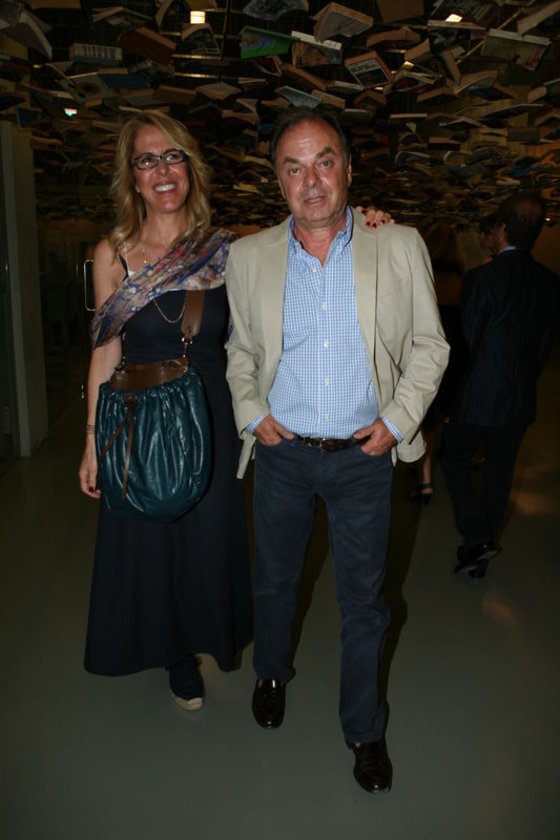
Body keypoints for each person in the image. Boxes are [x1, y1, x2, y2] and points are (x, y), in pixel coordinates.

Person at [225, 107, 449, 794]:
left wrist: (398, 420)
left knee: (364, 601)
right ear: (278, 182)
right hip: (283, 452)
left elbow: (429, 346)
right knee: (274, 581)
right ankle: (270, 672)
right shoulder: (248, 256)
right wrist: (252, 412)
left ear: (349, 169)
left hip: (362, 456)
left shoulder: (397, 244)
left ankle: (364, 729)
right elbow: (240, 352)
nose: (311, 181)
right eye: (293, 168)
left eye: (324, 161)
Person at [78, 111, 253, 709]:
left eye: (172, 155)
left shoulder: (227, 251)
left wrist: (367, 221)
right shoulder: (113, 254)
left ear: (190, 167)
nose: (162, 169)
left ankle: (209, 635)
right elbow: (105, 350)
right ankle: (177, 657)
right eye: (147, 159)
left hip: (213, 417)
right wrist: (92, 441)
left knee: (207, 542)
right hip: (139, 419)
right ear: (132, 176)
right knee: (154, 545)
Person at [441, 192, 560, 580]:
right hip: (520, 397)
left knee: (454, 458)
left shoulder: (482, 278)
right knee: (499, 473)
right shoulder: (550, 283)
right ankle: (481, 552)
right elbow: (544, 348)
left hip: (477, 395)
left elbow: (468, 343)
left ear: (503, 228)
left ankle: (477, 537)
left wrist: (452, 396)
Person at [407, 223, 467, 504]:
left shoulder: (422, 276)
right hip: (455, 361)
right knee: (441, 420)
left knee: (424, 423)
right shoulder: (464, 282)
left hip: (425, 359)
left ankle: (425, 481)